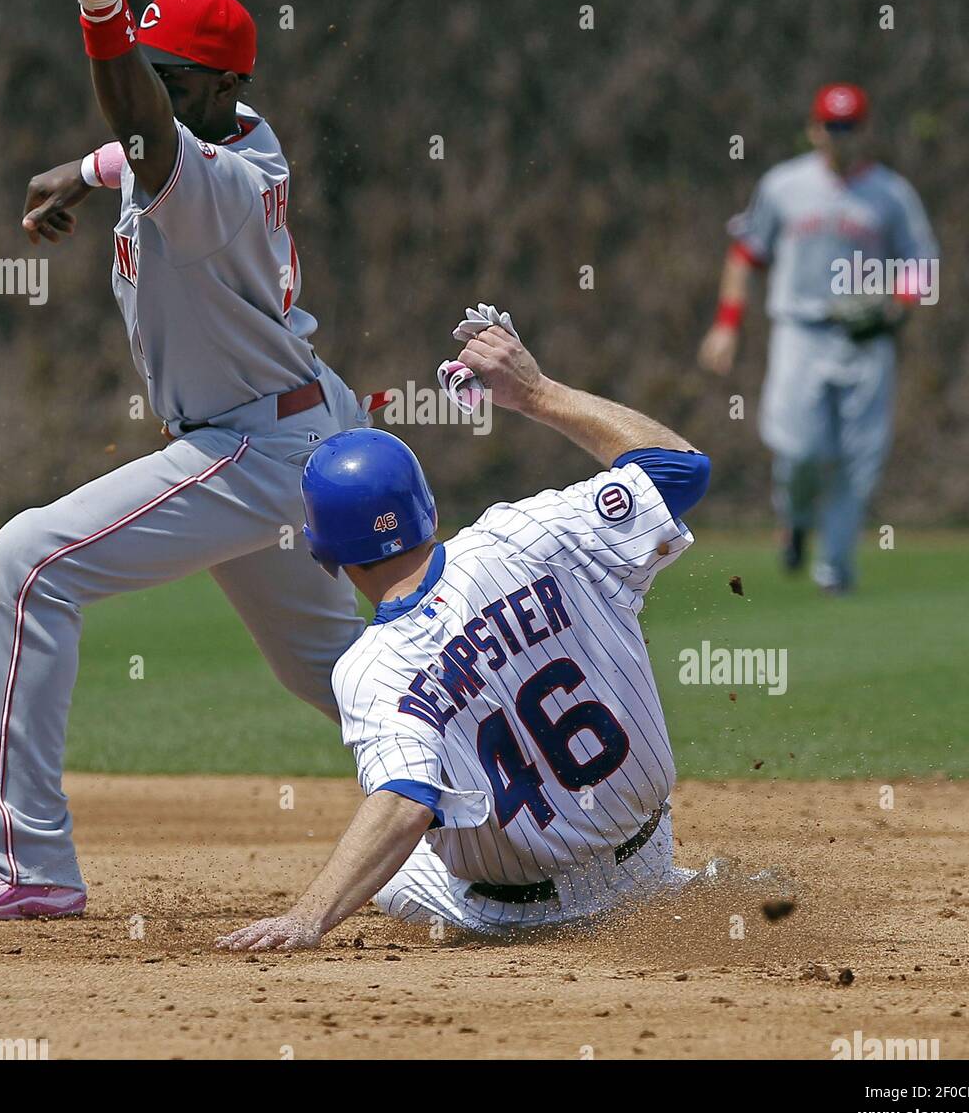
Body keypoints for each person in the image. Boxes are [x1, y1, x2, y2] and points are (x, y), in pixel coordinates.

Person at [0, 0, 369, 920]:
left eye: (172, 77)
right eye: (148, 70)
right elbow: (131, 141)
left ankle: (23, 862)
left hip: (251, 449)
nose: (149, 89)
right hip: (288, 436)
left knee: (26, 562)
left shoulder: (215, 179)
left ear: (222, 90)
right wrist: (72, 169)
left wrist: (100, 12)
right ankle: (522, 808)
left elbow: (151, 139)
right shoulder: (194, 137)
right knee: (344, 676)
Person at [217, 315, 710, 951]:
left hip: (517, 919)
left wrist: (307, 916)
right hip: (648, 868)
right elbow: (679, 469)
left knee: (396, 874)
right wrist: (536, 393)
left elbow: (403, 801)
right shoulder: (530, 532)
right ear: (429, 507)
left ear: (326, 555)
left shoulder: (371, 669)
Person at [697, 83, 939, 593]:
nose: (840, 136)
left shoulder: (892, 194)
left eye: (850, 126)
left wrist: (901, 302)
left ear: (866, 130)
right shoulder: (784, 185)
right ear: (813, 129)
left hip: (866, 340)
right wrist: (726, 323)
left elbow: (922, 264)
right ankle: (796, 519)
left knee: (859, 458)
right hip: (800, 332)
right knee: (801, 449)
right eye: (832, 125)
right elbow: (746, 254)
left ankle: (835, 569)